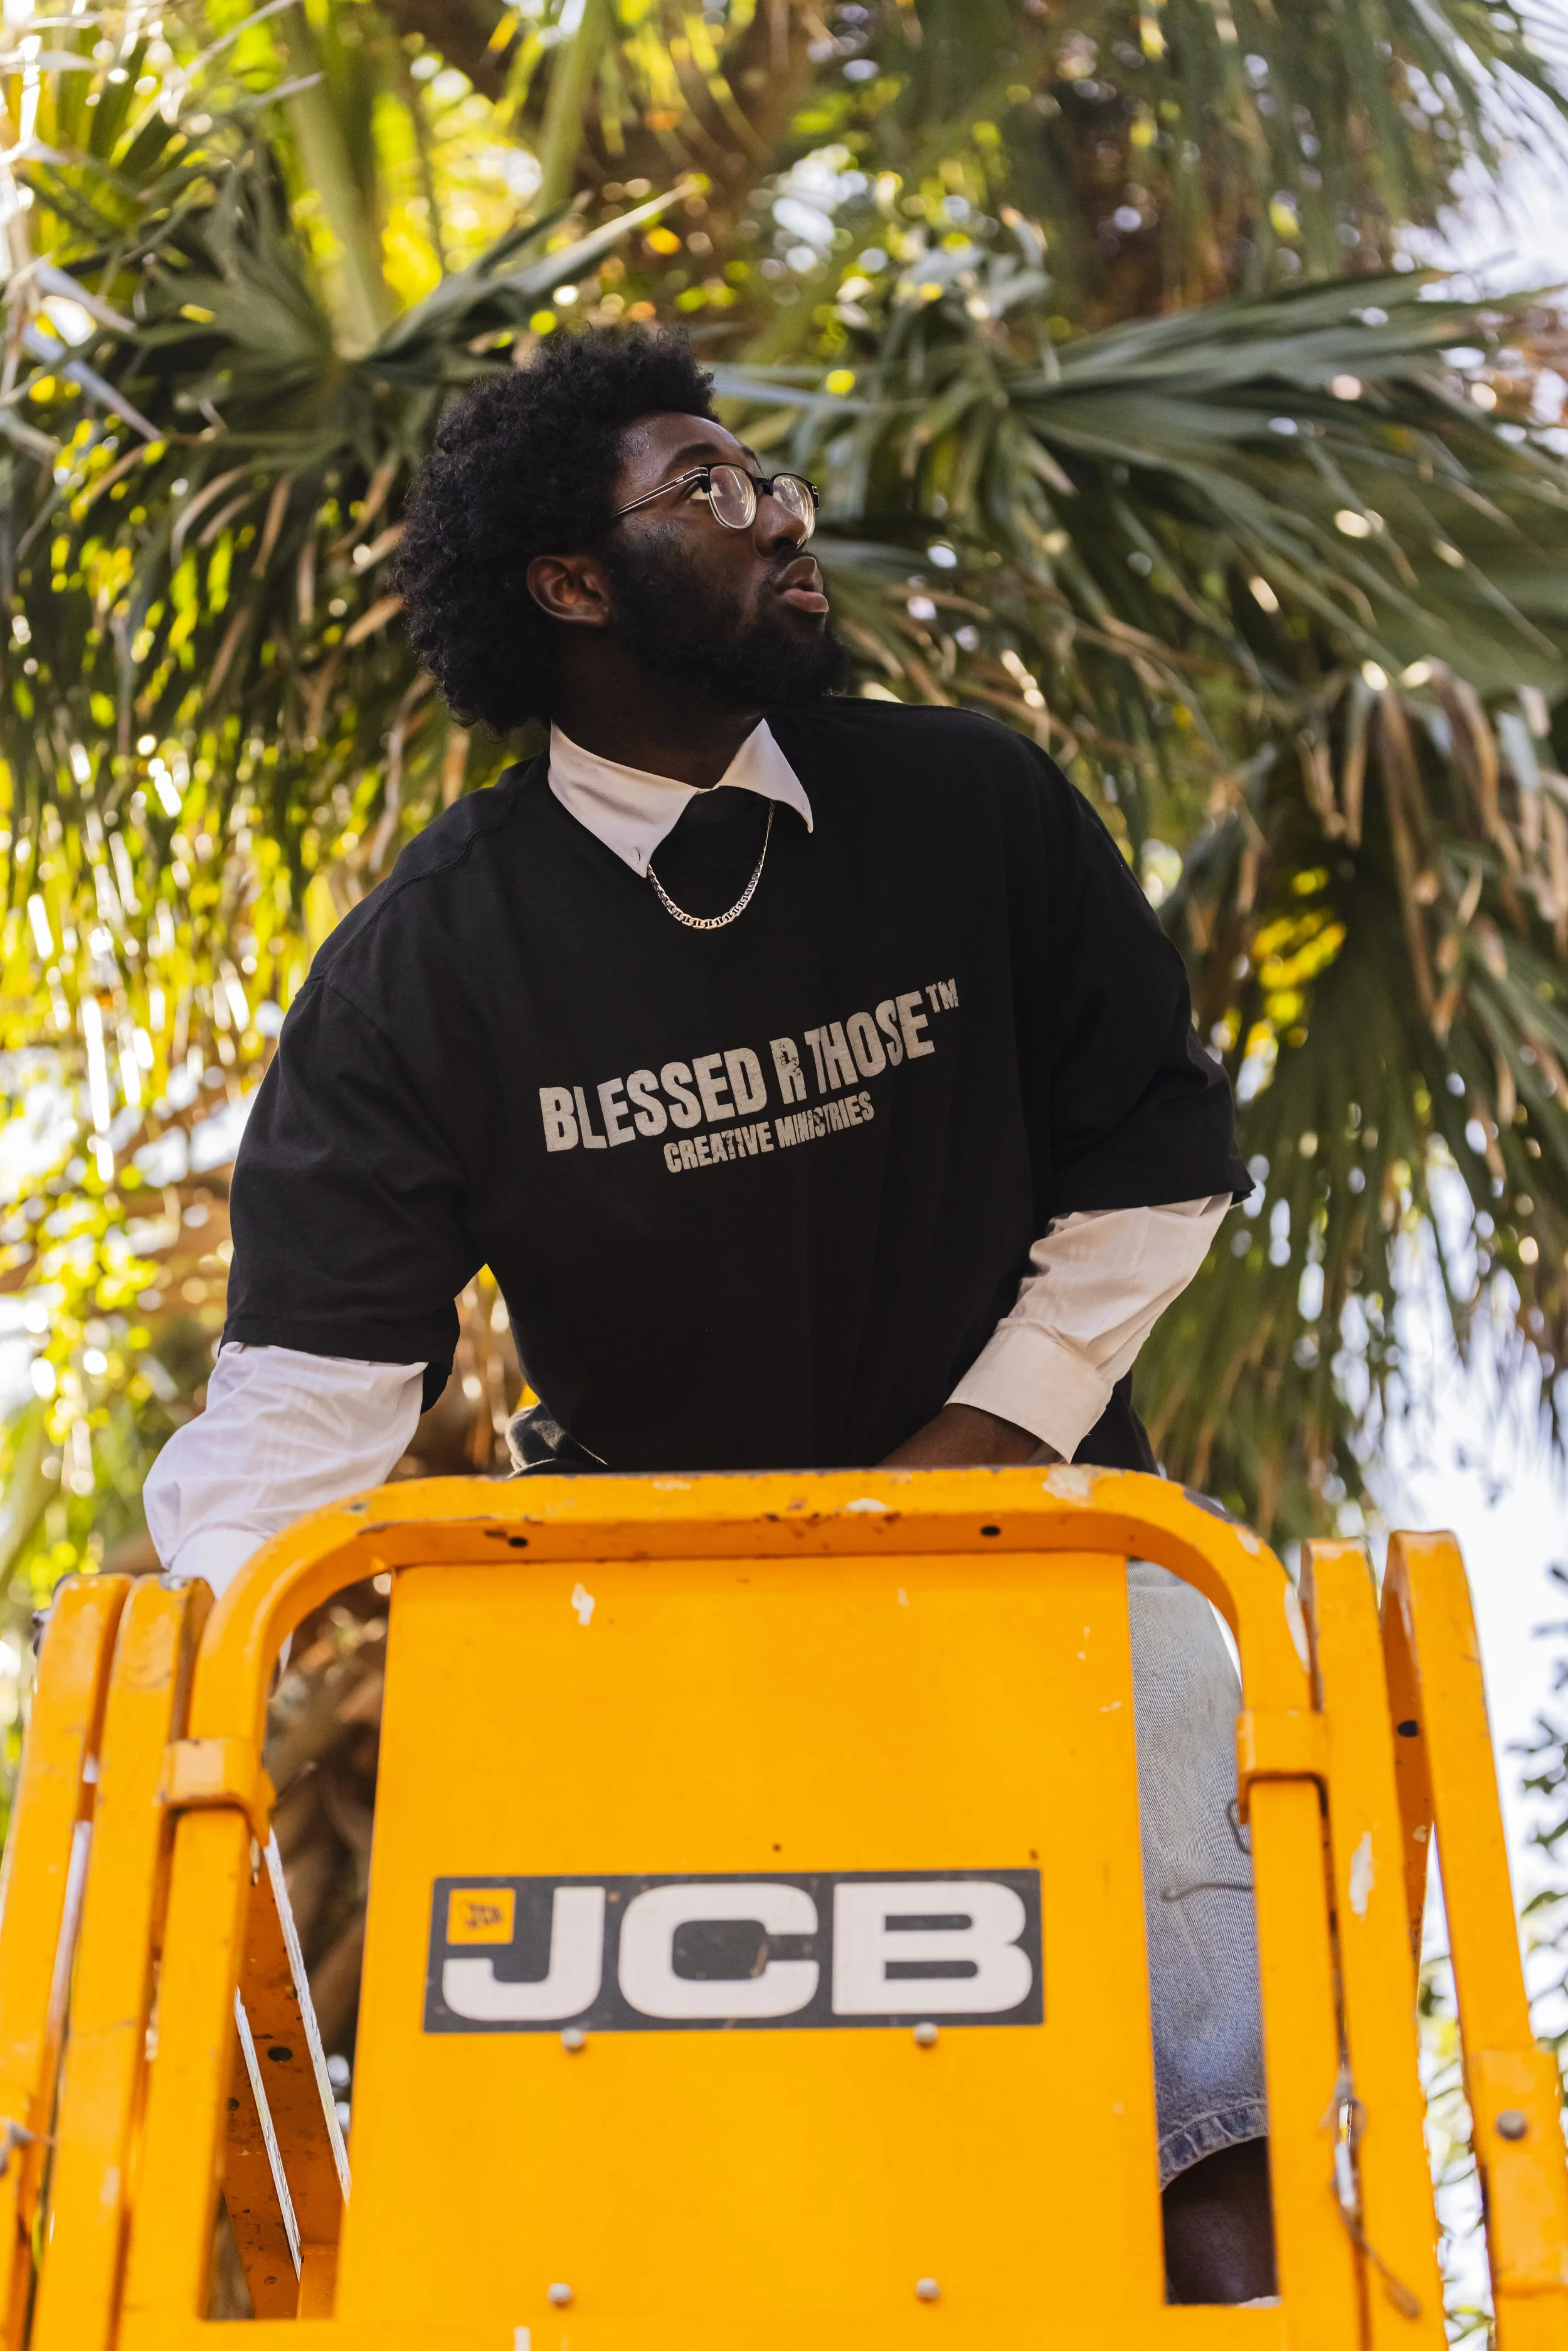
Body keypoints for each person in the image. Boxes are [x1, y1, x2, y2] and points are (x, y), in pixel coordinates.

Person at [145, 327, 1272, 2301]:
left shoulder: (966, 803)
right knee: (585, 2172)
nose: (781, 518)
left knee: (1175, 1661)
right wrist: (200, 1650)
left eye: (775, 480)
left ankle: (1218, 2229)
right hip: (641, 1602)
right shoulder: (432, 965)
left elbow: (1154, 1167)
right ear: (570, 587)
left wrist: (957, 1473)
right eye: (713, 488)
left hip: (1033, 1545)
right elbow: (305, 1402)